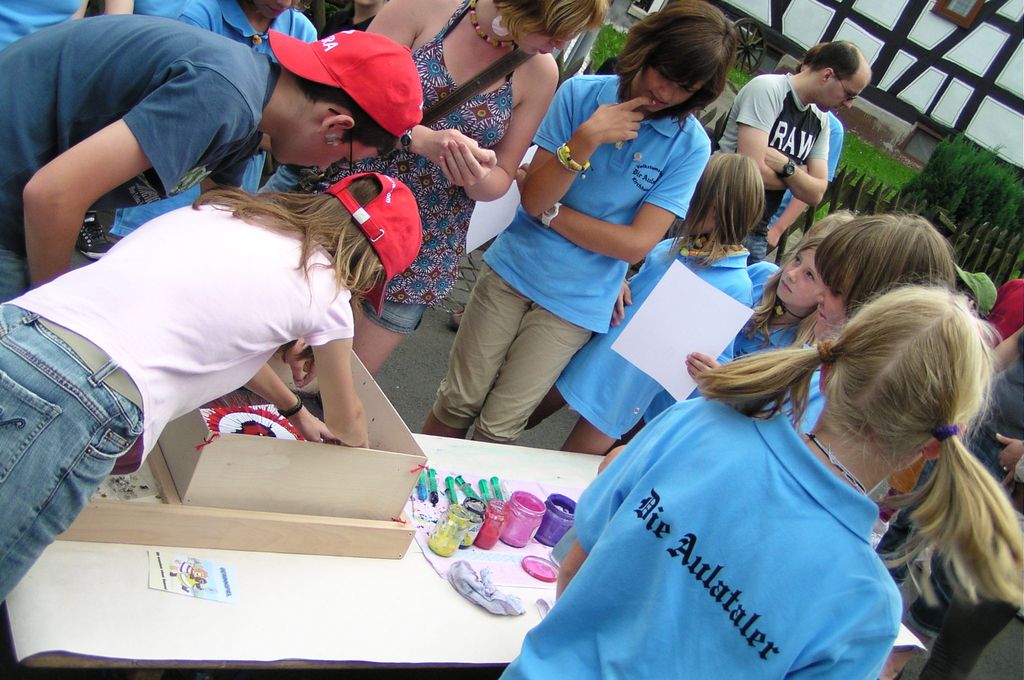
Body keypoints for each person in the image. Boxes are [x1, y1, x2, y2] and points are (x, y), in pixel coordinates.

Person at [502, 286, 1024, 679]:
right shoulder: (865, 607)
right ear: (932, 446)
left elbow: (576, 563)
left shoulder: (699, 422)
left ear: (829, 369)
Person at [0, 171, 422, 601]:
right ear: (370, 265)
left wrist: (295, 411)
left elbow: (224, 346)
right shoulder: (327, 290)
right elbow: (347, 421)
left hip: (19, 328)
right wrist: (362, 456)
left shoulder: (228, 211)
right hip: (79, 396)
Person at [421, 0, 737, 444]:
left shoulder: (690, 146)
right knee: (457, 400)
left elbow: (635, 244)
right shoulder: (581, 94)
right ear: (646, 50)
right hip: (513, 269)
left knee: (500, 425)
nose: (666, 93)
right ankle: (410, 482)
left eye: (686, 87)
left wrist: (552, 212)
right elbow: (533, 197)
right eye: (664, 73)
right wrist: (585, 140)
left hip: (576, 304)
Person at [0, 14, 421, 301]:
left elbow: (221, 212)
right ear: (336, 126)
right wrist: (54, 306)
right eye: (345, 159)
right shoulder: (224, 96)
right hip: (12, 196)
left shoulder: (254, 112)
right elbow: (51, 196)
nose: (324, 169)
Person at [309, 0, 607, 375]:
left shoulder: (540, 70)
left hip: (421, 247)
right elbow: (345, 96)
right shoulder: (426, 7)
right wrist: (418, 139)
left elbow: (502, 176)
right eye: (554, 32)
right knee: (274, 346)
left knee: (340, 383)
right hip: (344, 207)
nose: (559, 46)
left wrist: (474, 176)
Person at [545, 153, 763, 455]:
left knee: (562, 468)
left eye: (691, 193)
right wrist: (619, 281)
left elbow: (717, 359)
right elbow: (633, 288)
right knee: (516, 421)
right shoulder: (671, 247)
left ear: (713, 208)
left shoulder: (736, 286)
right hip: (588, 355)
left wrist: (713, 373)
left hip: (622, 394)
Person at [78, 0, 320, 258]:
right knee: (144, 258)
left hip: (233, 179)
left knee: (210, 256)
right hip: (170, 178)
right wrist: (276, 132)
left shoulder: (301, 32)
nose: (285, 2)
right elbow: (185, 112)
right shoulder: (198, 14)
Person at [718, 40, 871, 263]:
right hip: (716, 215)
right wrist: (798, 178)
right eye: (849, 94)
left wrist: (786, 167)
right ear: (827, 75)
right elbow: (750, 171)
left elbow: (816, 194)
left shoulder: (821, 121)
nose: (848, 105)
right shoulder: (768, 90)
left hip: (756, 230)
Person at [686, 210, 855, 376]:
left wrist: (722, 381)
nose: (792, 274)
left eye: (809, 275)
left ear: (832, 293)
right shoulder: (761, 275)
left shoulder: (799, 350)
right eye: (797, 259)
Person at [762, 46, 848, 256]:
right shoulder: (773, 94)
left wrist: (778, 228)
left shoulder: (830, 127)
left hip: (769, 218)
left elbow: (814, 190)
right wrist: (797, 175)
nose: (847, 103)